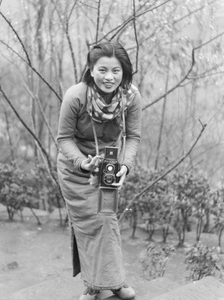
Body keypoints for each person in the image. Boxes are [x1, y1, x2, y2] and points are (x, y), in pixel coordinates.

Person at [57, 41, 142, 300]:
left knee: (106, 221)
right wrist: (83, 162)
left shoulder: (131, 97)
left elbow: (134, 136)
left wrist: (125, 166)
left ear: (124, 73)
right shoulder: (76, 96)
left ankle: (112, 283)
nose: (109, 77)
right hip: (75, 170)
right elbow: (63, 139)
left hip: (108, 167)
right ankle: (96, 286)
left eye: (116, 71)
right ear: (91, 70)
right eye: (102, 70)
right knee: (87, 226)